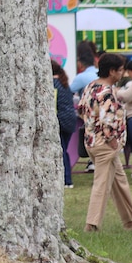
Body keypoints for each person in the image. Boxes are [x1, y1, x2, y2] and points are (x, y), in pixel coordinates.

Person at [79, 53, 132, 232]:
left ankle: (130, 221)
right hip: (105, 144)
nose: (122, 73)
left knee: (120, 182)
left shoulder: (90, 87)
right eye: (119, 70)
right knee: (102, 184)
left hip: (91, 141)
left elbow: (81, 109)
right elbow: (107, 120)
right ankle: (92, 225)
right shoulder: (108, 92)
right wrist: (111, 141)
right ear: (112, 71)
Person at [52, 60, 77, 188]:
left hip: (60, 120)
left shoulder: (52, 84)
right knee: (64, 150)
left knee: (61, 151)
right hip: (70, 120)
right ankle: (67, 178)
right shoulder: (65, 84)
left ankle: (66, 179)